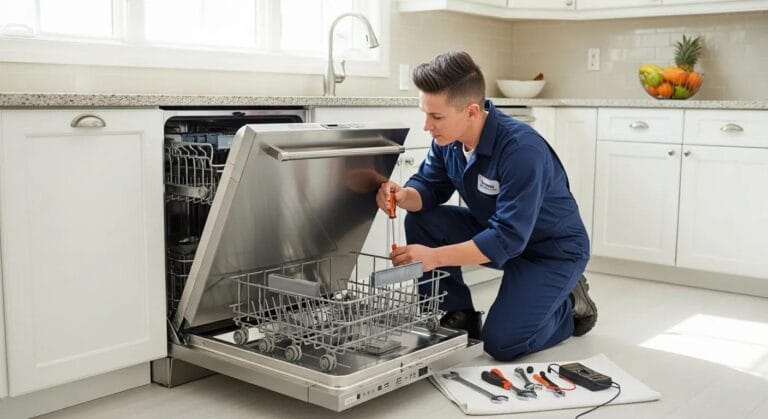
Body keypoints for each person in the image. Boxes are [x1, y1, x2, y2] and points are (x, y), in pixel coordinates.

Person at [375, 51, 596, 361]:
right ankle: (457, 315)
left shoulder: (522, 150)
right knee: (422, 219)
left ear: (471, 111)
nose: (427, 125)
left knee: (501, 344)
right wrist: (402, 195)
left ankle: (570, 305)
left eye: (436, 117)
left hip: (550, 252)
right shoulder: (448, 140)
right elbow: (429, 187)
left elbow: (507, 238)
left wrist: (435, 257)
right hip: (499, 235)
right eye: (425, 114)